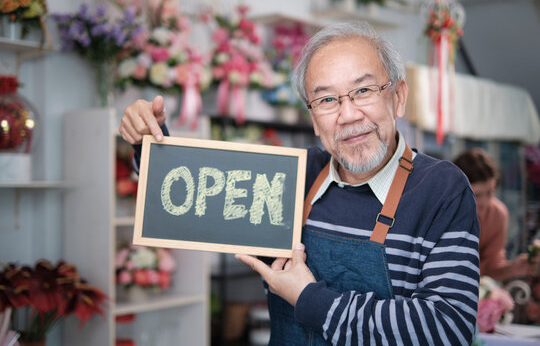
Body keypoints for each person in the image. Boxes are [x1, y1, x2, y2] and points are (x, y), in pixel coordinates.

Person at [119, 21, 480, 345]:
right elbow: (195, 196)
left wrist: (310, 299)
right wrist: (147, 140)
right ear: (312, 117)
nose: (348, 114)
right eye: (326, 100)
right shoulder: (291, 174)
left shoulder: (442, 189)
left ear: (398, 97)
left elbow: (448, 328)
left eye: (364, 91)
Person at [453, 148, 540, 282]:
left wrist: (513, 269)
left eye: (490, 192)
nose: (485, 202)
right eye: (477, 195)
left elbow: (493, 268)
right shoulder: (441, 214)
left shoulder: (497, 214)